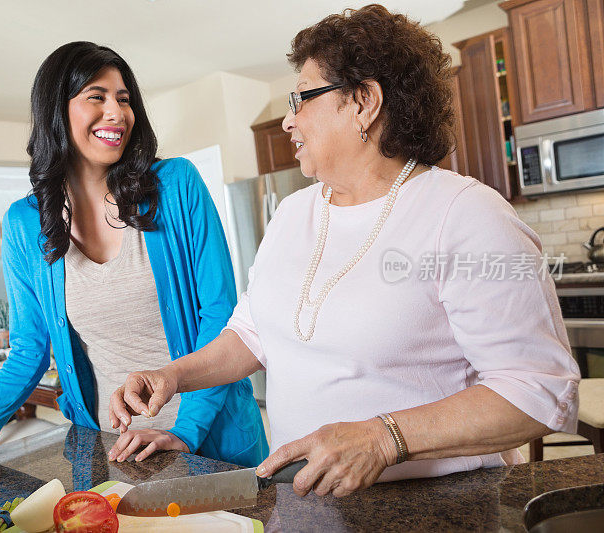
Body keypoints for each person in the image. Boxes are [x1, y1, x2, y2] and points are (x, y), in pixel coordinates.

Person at [110, 5, 581, 499]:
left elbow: (537, 388)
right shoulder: (292, 214)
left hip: (436, 508)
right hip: (307, 503)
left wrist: (385, 438)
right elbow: (252, 334)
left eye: (301, 98)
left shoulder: (466, 215)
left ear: (364, 102)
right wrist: (172, 375)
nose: (288, 121)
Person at [0, 41, 267, 488]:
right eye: (96, 97)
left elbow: (219, 316)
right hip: (110, 450)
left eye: (124, 98)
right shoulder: (24, 224)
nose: (117, 112)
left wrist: (183, 431)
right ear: (56, 112)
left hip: (208, 442)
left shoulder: (175, 186)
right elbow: (28, 354)